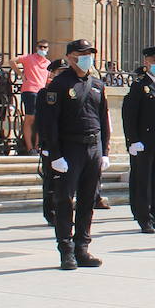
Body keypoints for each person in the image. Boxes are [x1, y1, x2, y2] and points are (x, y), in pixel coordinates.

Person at [39, 39, 110, 270]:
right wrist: (55, 154)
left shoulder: (97, 85)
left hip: (93, 148)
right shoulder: (59, 84)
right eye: (82, 53)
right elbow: (49, 123)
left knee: (88, 200)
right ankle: (66, 250)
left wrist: (105, 150)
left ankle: (82, 248)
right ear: (70, 57)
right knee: (64, 201)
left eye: (89, 53)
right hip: (69, 149)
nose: (87, 57)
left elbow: (103, 121)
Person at [123, 45, 155, 235]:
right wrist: (132, 140)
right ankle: (144, 218)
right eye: (154, 61)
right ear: (145, 62)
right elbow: (130, 114)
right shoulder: (139, 84)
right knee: (143, 180)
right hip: (144, 140)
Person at [35, 58, 68, 226]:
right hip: (51, 145)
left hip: (66, 143)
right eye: (60, 72)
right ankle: (51, 213)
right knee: (51, 182)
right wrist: (45, 144)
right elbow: (43, 121)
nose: (63, 75)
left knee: (64, 182)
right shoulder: (45, 93)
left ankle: (62, 212)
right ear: (53, 74)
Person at [14, 41, 51, 155]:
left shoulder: (47, 63)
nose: (43, 49)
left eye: (45, 47)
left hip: (41, 91)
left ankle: (38, 146)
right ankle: (30, 147)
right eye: (41, 47)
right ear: (36, 48)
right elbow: (12, 61)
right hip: (30, 90)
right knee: (30, 118)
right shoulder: (29, 58)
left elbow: (48, 77)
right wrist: (20, 74)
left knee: (41, 119)